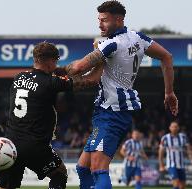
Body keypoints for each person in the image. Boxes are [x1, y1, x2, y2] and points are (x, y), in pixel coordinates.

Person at [56, 1, 178, 188]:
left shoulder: (111, 44)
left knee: (98, 168)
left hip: (113, 112)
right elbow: (166, 56)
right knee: (83, 167)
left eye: (104, 20)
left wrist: (55, 70)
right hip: (107, 110)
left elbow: (78, 67)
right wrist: (169, 92)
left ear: (119, 19)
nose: (100, 24)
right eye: (99, 20)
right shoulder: (138, 37)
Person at [0, 41, 101, 189]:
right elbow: (92, 80)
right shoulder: (50, 82)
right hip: (34, 145)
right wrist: (102, 58)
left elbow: (52, 73)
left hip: (11, 143)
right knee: (60, 173)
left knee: (6, 186)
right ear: (51, 61)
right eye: (56, 60)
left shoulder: (19, 77)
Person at [159, 121, 192, 189]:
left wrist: (191, 159)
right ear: (170, 128)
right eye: (173, 127)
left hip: (181, 164)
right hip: (171, 165)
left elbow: (189, 149)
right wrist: (161, 165)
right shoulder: (165, 138)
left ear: (178, 128)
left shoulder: (183, 137)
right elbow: (161, 152)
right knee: (176, 182)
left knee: (182, 186)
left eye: (176, 126)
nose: (174, 128)